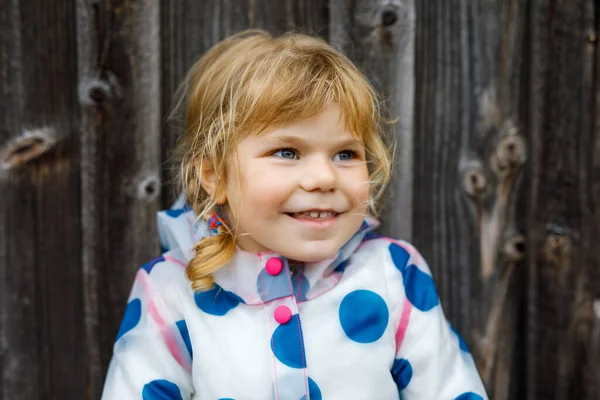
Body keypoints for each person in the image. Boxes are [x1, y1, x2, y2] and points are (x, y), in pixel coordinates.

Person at [101, 29, 488, 400]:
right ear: (214, 174)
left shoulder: (393, 275)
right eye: (287, 152)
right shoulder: (172, 289)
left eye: (346, 154)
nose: (324, 177)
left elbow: (450, 389)